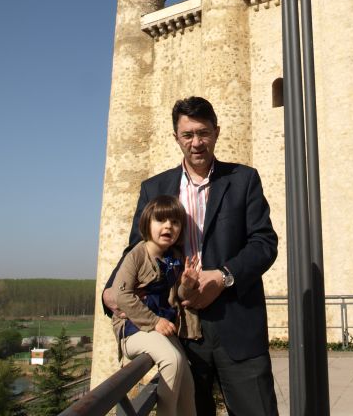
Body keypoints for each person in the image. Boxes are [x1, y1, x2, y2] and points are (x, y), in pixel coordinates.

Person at [104, 96, 279, 416]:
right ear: (176, 138)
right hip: (179, 330)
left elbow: (264, 243)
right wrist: (112, 289)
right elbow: (137, 248)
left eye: (203, 133)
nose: (196, 142)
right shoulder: (153, 189)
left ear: (217, 132)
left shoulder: (243, 180)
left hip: (237, 324)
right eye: (188, 135)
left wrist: (223, 276)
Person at [111, 195, 200, 416]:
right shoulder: (137, 255)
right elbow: (120, 294)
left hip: (162, 330)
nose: (168, 226)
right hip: (133, 330)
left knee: (187, 383)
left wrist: (187, 284)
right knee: (172, 360)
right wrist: (154, 321)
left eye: (175, 222)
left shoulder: (175, 258)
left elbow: (178, 294)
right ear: (147, 224)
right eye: (161, 220)